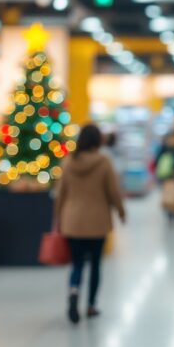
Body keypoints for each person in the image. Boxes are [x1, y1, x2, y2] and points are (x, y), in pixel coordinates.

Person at [54, 124, 126, 324]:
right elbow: (113, 191)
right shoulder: (104, 162)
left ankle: (74, 291)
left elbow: (61, 194)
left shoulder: (68, 162)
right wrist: (121, 211)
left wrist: (58, 218)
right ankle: (91, 305)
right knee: (95, 265)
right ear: (97, 141)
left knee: (77, 263)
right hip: (97, 221)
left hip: (72, 221)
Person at [154, 126, 174, 219]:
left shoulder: (167, 142)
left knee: (168, 190)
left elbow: (159, 156)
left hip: (166, 171)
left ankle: (169, 209)